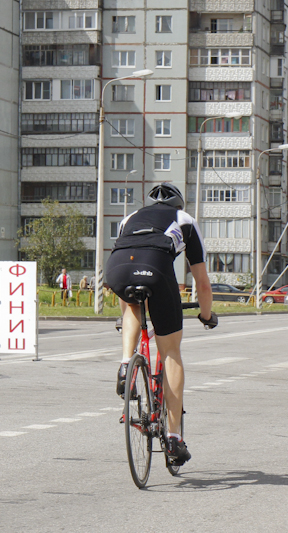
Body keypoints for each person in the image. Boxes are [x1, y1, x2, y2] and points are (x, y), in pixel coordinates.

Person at [106, 182, 217, 466]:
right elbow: (202, 283)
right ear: (178, 204)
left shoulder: (129, 218)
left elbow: (127, 257)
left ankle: (124, 364)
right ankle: (173, 437)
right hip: (156, 268)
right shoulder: (185, 220)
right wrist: (206, 315)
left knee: (131, 303)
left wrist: (126, 315)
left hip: (117, 268)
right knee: (170, 352)